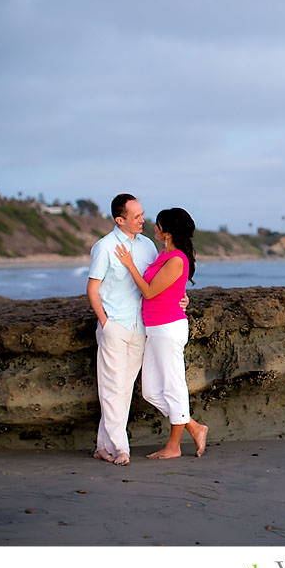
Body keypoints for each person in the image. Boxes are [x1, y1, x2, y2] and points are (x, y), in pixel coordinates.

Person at [86, 193, 188, 466]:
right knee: (111, 388)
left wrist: (182, 297)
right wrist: (105, 323)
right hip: (115, 325)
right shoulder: (104, 247)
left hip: (142, 326)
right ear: (120, 220)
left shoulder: (147, 247)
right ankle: (121, 449)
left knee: (124, 389)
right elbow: (92, 289)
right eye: (136, 217)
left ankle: (102, 446)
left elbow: (159, 282)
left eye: (143, 214)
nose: (143, 220)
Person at [115, 207, 209, 459]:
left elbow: (149, 291)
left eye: (157, 225)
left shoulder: (176, 259)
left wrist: (129, 265)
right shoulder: (163, 256)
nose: (152, 227)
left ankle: (174, 446)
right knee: (151, 392)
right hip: (155, 329)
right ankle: (193, 426)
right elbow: (171, 289)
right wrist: (183, 296)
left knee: (173, 387)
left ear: (166, 232)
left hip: (168, 329)